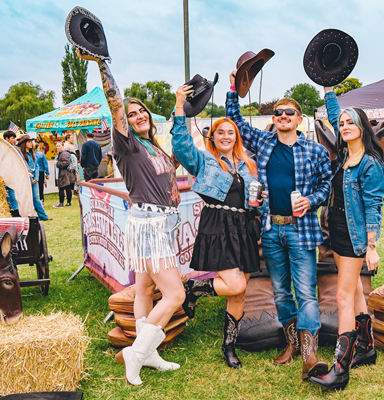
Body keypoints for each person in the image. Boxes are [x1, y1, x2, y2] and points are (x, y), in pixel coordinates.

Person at [77, 50, 183, 386]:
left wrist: (181, 108)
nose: (137, 116)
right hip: (149, 224)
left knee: (145, 290)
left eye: (142, 111)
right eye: (132, 114)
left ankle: (148, 354)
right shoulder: (127, 145)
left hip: (158, 223)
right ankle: (136, 354)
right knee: (175, 295)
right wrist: (101, 63)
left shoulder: (153, 146)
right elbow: (116, 105)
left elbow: (169, 171)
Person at [225, 71, 332, 380]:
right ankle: (292, 343)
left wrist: (311, 200)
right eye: (278, 113)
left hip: (302, 229)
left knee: (306, 293)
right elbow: (235, 121)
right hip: (271, 230)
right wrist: (233, 88)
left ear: (299, 119)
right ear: (273, 119)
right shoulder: (263, 141)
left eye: (289, 112)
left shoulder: (315, 150)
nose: (283, 116)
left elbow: (326, 186)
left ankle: (310, 355)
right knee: (282, 293)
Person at [171, 85, 261, 369]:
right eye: (220, 132)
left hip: (245, 227)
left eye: (230, 132)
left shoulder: (248, 165)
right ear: (213, 136)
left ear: (236, 137)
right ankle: (193, 288)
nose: (225, 136)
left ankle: (229, 345)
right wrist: (180, 106)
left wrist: (259, 207)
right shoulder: (205, 159)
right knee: (234, 284)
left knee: (240, 291)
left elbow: (255, 196)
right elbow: (180, 146)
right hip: (218, 224)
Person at [309, 88, 384, 391]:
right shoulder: (345, 155)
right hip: (338, 230)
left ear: (362, 128)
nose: (343, 127)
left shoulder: (370, 164)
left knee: (342, 297)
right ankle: (366, 347)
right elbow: (334, 116)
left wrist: (371, 247)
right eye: (341, 124)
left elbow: (373, 207)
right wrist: (329, 91)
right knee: (354, 289)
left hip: (355, 237)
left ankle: (339, 370)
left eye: (350, 123)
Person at [17, 135, 50, 221]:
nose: (31, 143)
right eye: (28, 142)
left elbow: (37, 166)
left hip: (34, 178)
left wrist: (36, 178)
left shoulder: (33, 154)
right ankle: (27, 217)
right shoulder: (21, 154)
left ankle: (43, 216)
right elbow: (22, 167)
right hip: (25, 179)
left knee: (36, 198)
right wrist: (31, 179)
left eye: (31, 142)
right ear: (24, 143)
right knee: (25, 199)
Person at [2, 130, 22, 217]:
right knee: (9, 195)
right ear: (6, 139)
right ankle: (13, 213)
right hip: (4, 175)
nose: (14, 140)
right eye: (12, 138)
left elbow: (22, 161)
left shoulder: (16, 149)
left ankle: (15, 213)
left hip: (14, 175)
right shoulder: (0, 149)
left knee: (14, 195)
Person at [53, 141, 77, 208]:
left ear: (63, 146)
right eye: (57, 146)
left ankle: (61, 203)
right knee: (67, 188)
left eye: (59, 146)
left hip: (64, 174)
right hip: (66, 174)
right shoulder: (62, 153)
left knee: (61, 188)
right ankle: (68, 202)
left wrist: (57, 163)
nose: (58, 147)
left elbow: (66, 163)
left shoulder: (64, 153)